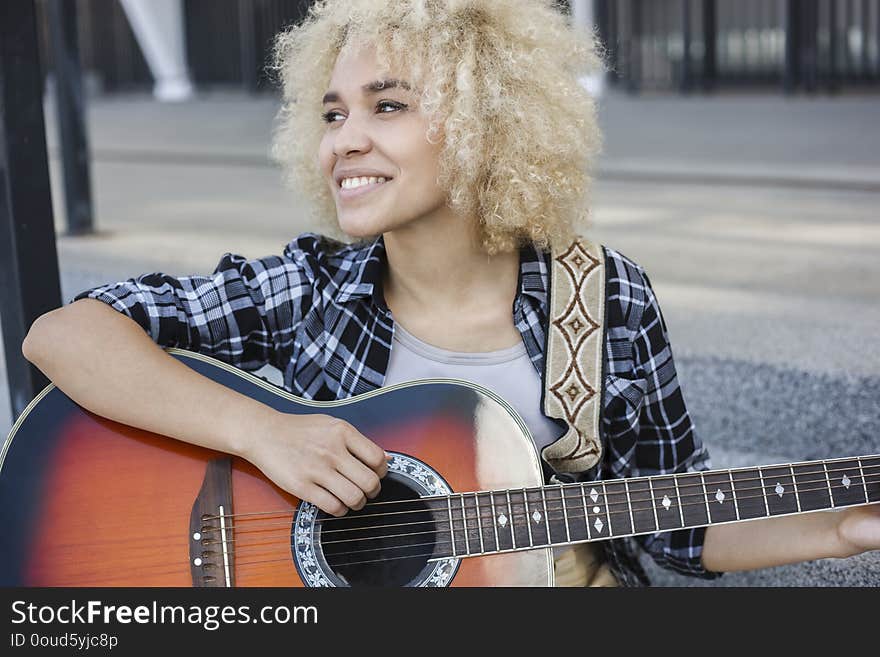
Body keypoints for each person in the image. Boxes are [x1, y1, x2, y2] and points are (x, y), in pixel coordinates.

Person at [22, 0, 879, 586]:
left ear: (488, 124)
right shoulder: (312, 288)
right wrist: (263, 432)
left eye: (385, 106)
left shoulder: (606, 301)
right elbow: (64, 335)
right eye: (330, 114)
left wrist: (842, 529)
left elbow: (678, 518)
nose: (344, 141)